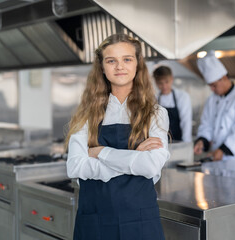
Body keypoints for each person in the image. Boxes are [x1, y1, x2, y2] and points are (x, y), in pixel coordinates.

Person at [65, 34, 169, 240]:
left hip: (139, 221)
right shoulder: (86, 115)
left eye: (127, 59)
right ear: (102, 68)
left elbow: (149, 167)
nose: (119, 66)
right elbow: (75, 167)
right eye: (111, 60)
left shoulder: (155, 113)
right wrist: (133, 159)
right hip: (94, 221)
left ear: (138, 65)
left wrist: (101, 152)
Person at [194, 51, 235, 161]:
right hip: (218, 158)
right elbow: (206, 124)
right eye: (210, 86)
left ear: (223, 77)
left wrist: (223, 149)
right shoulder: (211, 100)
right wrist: (202, 141)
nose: (212, 89)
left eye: (214, 85)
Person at [153, 65, 192, 142]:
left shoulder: (182, 97)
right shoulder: (155, 99)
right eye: (160, 83)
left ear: (171, 79)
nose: (164, 86)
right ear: (156, 82)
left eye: (166, 82)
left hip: (179, 142)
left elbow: (186, 122)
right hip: (161, 143)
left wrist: (186, 144)